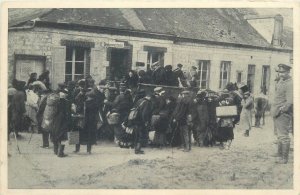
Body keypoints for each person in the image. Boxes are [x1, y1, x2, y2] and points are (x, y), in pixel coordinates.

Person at [272, 64, 293, 164]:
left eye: (283, 72)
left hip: (282, 113)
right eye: (280, 72)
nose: (281, 74)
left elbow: (289, 101)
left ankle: (284, 158)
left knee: (284, 136)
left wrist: (282, 110)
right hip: (276, 112)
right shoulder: (281, 81)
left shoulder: (290, 83)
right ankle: (279, 154)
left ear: (288, 72)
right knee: (279, 135)